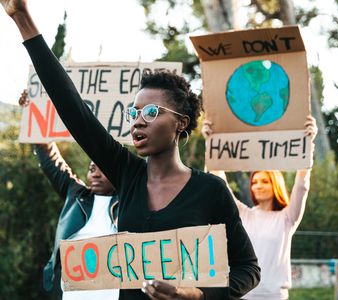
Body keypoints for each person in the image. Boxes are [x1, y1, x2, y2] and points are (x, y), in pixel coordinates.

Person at [3, 1, 261, 299]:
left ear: (180, 123)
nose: (138, 122)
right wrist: (22, 18)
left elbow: (248, 269)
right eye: (133, 112)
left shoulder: (211, 190)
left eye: (151, 112)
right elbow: (73, 108)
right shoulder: (126, 174)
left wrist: (195, 294)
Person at [202, 115, 317, 299]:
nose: (258, 185)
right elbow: (219, 184)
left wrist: (308, 143)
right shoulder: (243, 214)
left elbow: (302, 186)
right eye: (254, 182)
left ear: (275, 185)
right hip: (243, 294)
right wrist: (211, 142)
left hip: (274, 295)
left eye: (264, 181)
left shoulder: (287, 217)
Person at [19, 92, 120, 300]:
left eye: (103, 168)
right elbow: (51, 159)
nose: (95, 173)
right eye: (92, 167)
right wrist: (33, 115)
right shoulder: (75, 194)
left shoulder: (131, 200)